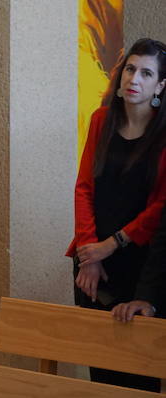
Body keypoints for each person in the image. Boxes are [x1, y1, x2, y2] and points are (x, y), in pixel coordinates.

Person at [66, 38, 166, 392]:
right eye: (130, 69)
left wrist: (112, 244)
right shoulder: (101, 120)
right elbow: (84, 187)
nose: (134, 79)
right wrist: (89, 251)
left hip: (141, 264)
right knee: (102, 369)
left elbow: (161, 207)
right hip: (94, 264)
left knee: (139, 372)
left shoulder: (162, 133)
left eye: (146, 73)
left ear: (160, 85)